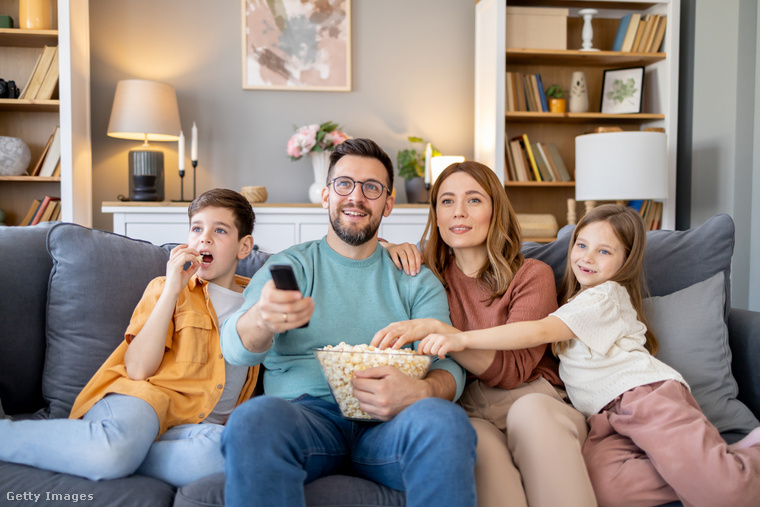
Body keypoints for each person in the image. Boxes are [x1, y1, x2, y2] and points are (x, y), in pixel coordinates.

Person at [397, 204, 760, 507]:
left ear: (626, 261)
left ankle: (738, 461)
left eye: (604, 251)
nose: (587, 258)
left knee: (725, 493)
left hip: (646, 397)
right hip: (603, 415)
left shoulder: (605, 297)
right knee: (606, 488)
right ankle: (701, 466)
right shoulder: (575, 300)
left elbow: (538, 331)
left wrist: (460, 339)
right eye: (581, 245)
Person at [219, 138, 477, 507]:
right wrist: (262, 318)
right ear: (326, 195)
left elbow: (449, 362)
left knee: (445, 421)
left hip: (391, 424)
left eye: (371, 188)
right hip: (305, 417)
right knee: (254, 419)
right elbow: (234, 347)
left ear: (388, 203)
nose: (356, 197)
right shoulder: (293, 266)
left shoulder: (415, 277)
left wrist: (421, 392)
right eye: (344, 184)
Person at [0, 188, 259, 487]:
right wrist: (172, 291)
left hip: (195, 429)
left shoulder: (258, 299)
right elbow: (138, 370)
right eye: (197, 228)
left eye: (220, 230)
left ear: (244, 246)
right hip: (142, 402)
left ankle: (111, 451)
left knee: (223, 458)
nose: (205, 238)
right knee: (114, 452)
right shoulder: (166, 287)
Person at [373, 161, 596, 507]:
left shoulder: (531, 275)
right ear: (435, 215)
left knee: (530, 413)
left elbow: (514, 369)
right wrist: (384, 249)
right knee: (467, 440)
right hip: (471, 410)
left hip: (535, 398)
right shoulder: (425, 277)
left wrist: (445, 333)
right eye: (446, 201)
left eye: (473, 200)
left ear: (495, 210)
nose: (458, 212)